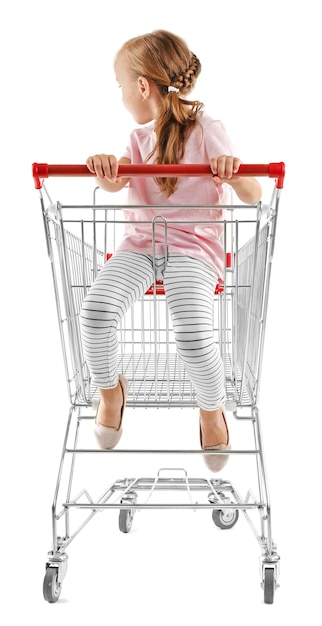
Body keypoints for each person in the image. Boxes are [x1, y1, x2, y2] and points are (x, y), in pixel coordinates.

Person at [80, 30, 262, 472]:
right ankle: (110, 391)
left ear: (142, 86)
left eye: (121, 85)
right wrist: (105, 171)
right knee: (95, 312)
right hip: (140, 246)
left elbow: (254, 193)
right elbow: (116, 180)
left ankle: (211, 408)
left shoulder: (207, 130)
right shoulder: (138, 140)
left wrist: (232, 173)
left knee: (193, 333)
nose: (122, 96)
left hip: (193, 248)